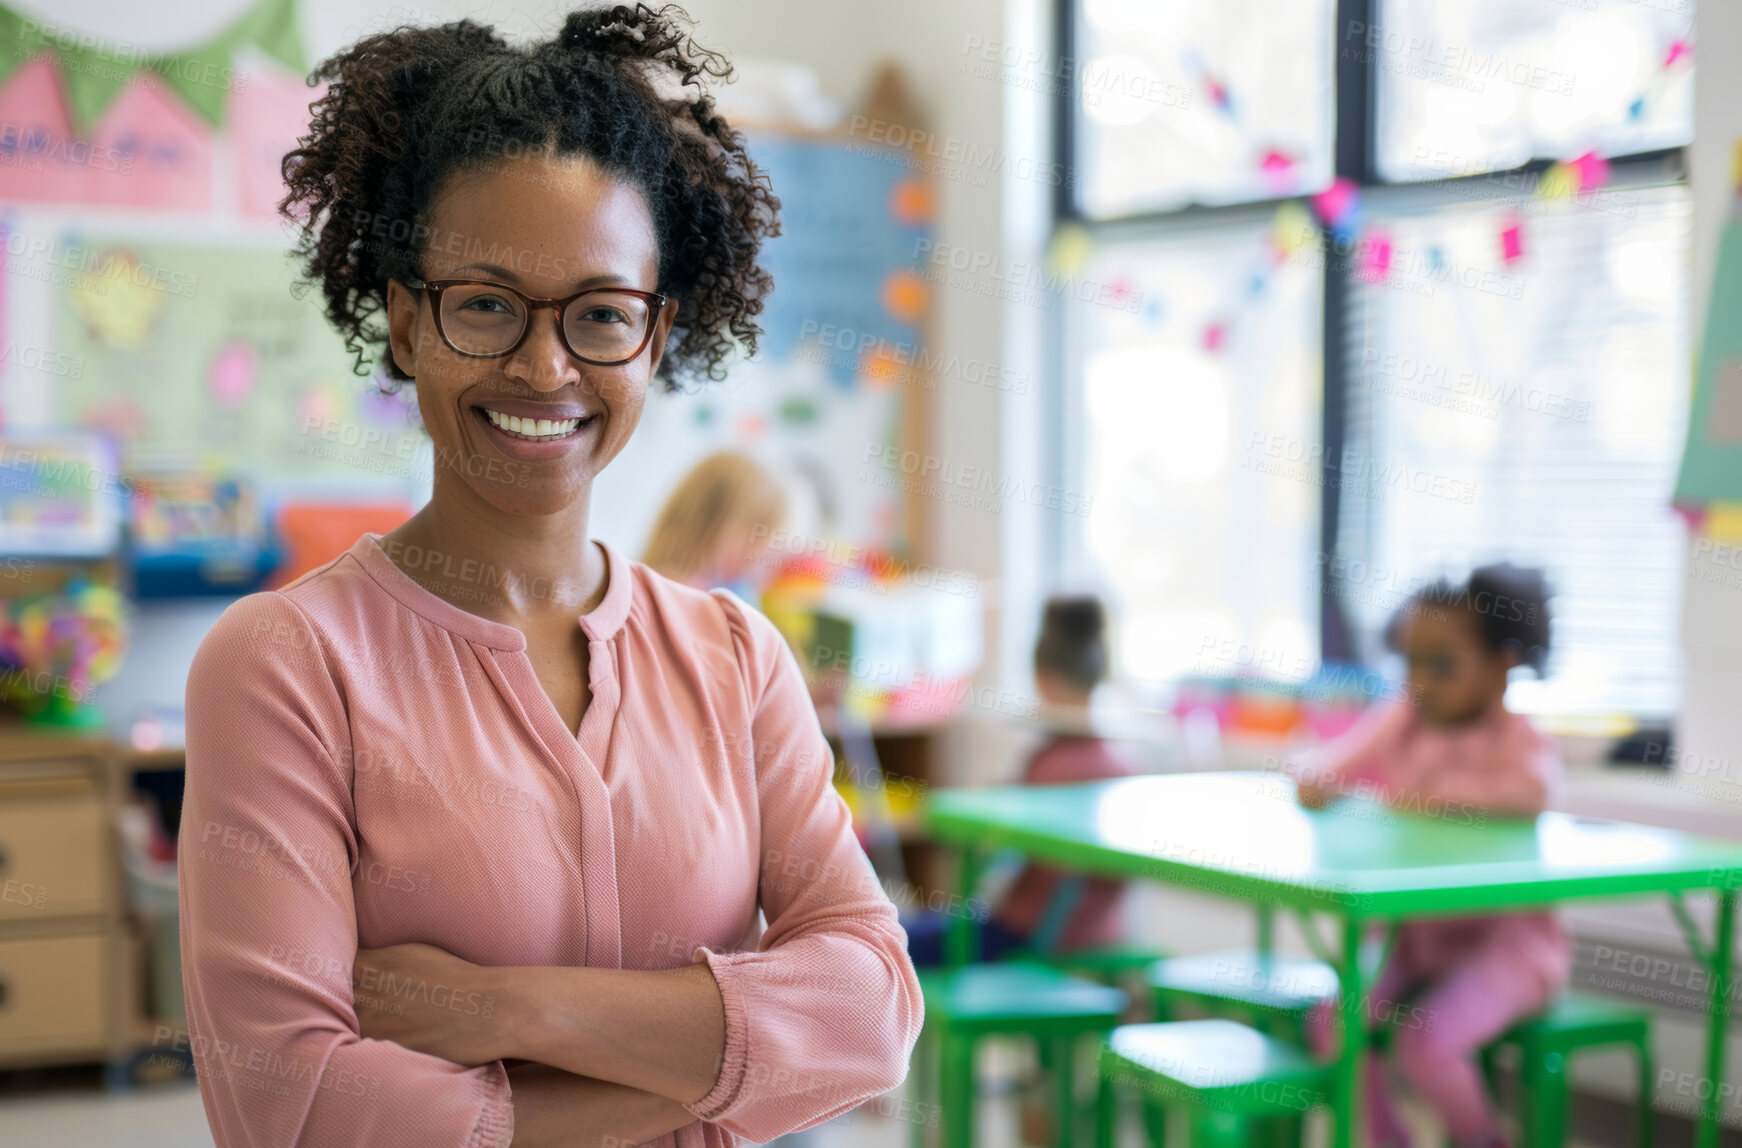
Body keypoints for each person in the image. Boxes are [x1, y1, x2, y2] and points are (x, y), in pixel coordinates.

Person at [176, 8, 922, 1148]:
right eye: (483, 303)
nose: (543, 364)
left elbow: (870, 1013)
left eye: (600, 313)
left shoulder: (732, 657)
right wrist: (729, 1065)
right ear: (405, 317)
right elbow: (293, 1104)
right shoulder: (286, 663)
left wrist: (497, 1007)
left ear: (657, 331)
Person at [1290, 563, 1567, 1148]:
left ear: (1503, 665)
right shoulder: (1403, 717)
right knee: (1333, 1022)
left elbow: (1530, 793)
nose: (1419, 681)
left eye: (1441, 663)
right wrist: (1331, 780)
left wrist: (1415, 799)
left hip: (1508, 947)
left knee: (1428, 1042)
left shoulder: (1518, 740)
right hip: (1413, 938)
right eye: (1408, 661)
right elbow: (1318, 774)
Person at [905, 594, 1135, 965]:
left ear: (1043, 678)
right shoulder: (1123, 765)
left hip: (1026, 935)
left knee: (894, 939)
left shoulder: (1049, 767)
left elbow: (984, 848)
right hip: (1101, 934)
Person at [641, 450, 787, 601]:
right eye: (752, 536)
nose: (755, 554)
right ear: (707, 523)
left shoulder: (726, 591)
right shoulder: (684, 596)